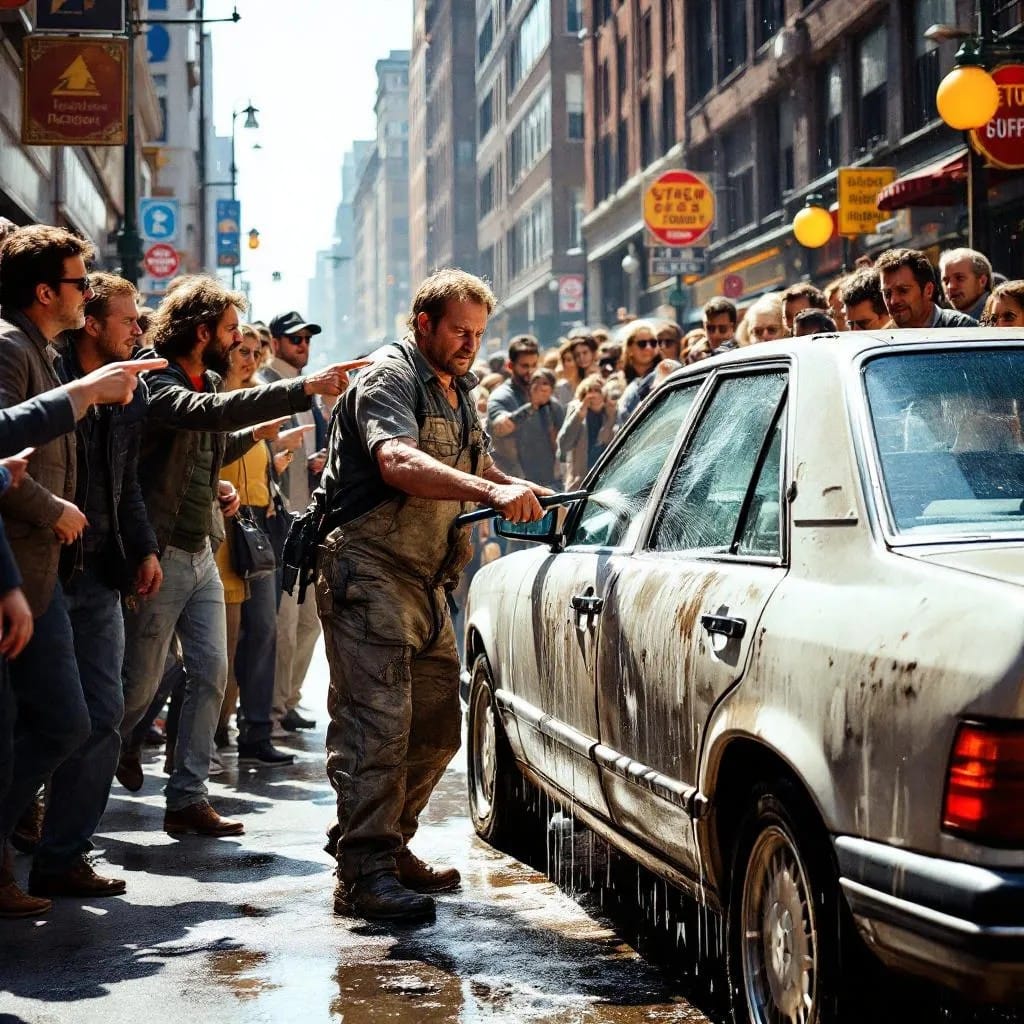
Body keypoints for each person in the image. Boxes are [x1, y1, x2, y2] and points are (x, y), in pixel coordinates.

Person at [316, 267, 548, 921]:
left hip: (425, 578)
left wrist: (524, 489)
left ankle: (388, 848)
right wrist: (491, 493)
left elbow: (476, 468)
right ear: (423, 325)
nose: (471, 343)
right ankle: (361, 875)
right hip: (369, 571)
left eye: (478, 333)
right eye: (459, 330)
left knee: (440, 726)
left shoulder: (456, 388)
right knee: (377, 730)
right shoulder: (390, 378)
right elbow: (399, 461)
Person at [117, 276, 361, 837]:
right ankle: (84, 765)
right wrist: (301, 391)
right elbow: (204, 417)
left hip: (202, 546)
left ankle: (187, 797)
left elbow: (211, 443)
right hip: (163, 550)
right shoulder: (161, 379)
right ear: (202, 331)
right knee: (136, 683)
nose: (236, 341)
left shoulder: (201, 379)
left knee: (210, 670)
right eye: (229, 330)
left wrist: (244, 450)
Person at [0, 227, 164, 916]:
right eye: (77, 283)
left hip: (43, 578)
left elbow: (115, 478)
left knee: (79, 718)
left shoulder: (41, 351)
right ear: (47, 292)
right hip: (24, 572)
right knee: (57, 722)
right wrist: (51, 509)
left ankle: (44, 855)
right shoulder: (13, 348)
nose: (84, 292)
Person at [212, 325, 298, 766]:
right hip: (221, 530)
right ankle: (213, 728)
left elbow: (261, 469)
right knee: (223, 641)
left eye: (251, 351)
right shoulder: (211, 397)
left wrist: (277, 466)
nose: (248, 358)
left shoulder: (259, 394)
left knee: (263, 631)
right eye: (239, 351)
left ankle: (256, 731)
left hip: (259, 528)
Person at [265, 311, 328, 736]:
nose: (302, 345)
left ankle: (288, 701)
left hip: (308, 521)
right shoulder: (268, 386)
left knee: (309, 622)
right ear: (275, 341)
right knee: (284, 626)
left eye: (307, 338)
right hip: (279, 520)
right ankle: (269, 712)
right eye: (294, 339)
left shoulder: (312, 394)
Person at [876, 248, 977, 328]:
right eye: (887, 294)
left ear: (928, 290)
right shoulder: (883, 341)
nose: (893, 301)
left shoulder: (962, 329)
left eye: (903, 290)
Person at [557, 375, 616, 489]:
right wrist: (579, 416)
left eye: (597, 390)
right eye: (590, 390)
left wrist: (611, 418)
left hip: (604, 480)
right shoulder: (576, 409)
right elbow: (564, 444)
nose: (593, 394)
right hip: (579, 482)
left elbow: (607, 441)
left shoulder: (611, 412)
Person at [939, 247, 992, 322]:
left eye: (959, 278)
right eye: (945, 280)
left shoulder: (996, 318)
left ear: (982, 281)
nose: (950, 287)